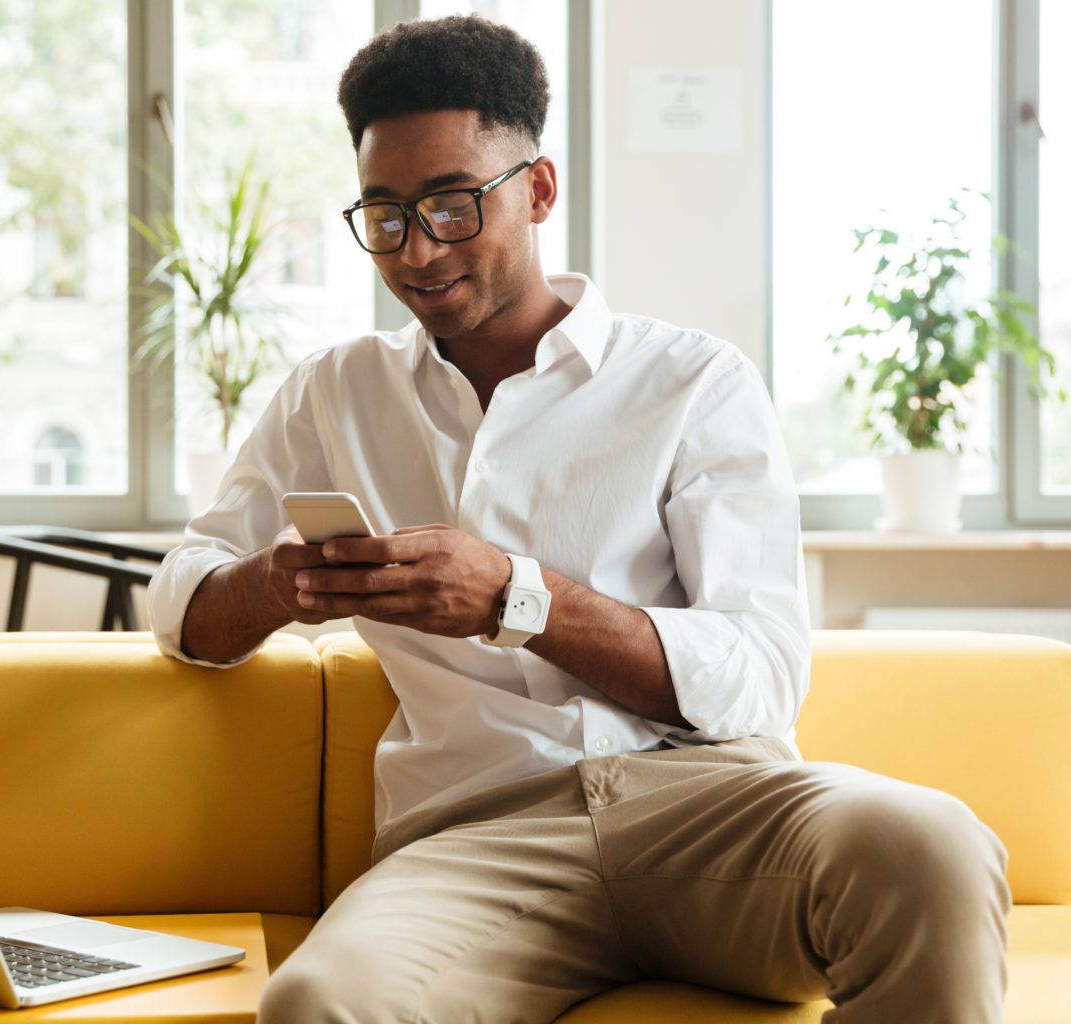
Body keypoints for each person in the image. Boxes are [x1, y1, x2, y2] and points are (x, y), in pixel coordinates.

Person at [147, 14, 1011, 1023]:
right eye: (385, 216)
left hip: (711, 808)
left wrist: (518, 595)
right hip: (475, 841)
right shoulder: (335, 394)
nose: (417, 251)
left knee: (935, 846)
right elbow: (183, 599)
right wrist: (273, 585)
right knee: (319, 1002)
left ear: (539, 190)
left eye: (454, 206)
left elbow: (765, 673)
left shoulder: (693, 382)